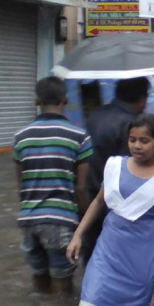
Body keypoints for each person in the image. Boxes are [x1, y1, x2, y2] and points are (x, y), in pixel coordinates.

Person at [67, 114, 154, 306]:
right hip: (109, 251)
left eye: (144, 141)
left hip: (143, 256)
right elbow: (98, 202)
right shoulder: (114, 167)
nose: (137, 146)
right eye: (132, 140)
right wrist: (77, 235)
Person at [13, 77, 93, 294]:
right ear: (65, 99)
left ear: (37, 101)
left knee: (39, 277)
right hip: (60, 220)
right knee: (62, 281)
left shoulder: (21, 137)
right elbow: (80, 189)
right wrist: (86, 223)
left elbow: (22, 186)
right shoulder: (79, 137)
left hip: (29, 220)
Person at [84, 77, 150, 263]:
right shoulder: (132, 126)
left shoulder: (93, 117)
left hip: (89, 199)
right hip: (116, 205)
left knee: (92, 257)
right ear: (142, 99)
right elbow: (131, 171)